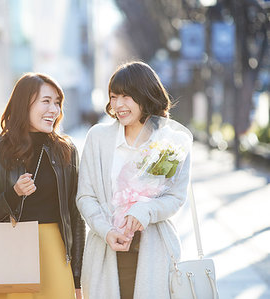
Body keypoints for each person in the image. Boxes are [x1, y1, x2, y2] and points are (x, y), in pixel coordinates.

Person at [76, 61, 193, 298]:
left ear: (146, 95)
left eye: (126, 96)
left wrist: (145, 210)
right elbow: (85, 196)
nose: (118, 105)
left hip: (155, 255)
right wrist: (106, 229)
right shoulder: (98, 137)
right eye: (113, 96)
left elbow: (176, 197)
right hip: (106, 251)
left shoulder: (171, 142)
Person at [0, 72, 85, 299]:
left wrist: (78, 277)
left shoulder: (66, 151)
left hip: (54, 252)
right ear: (25, 104)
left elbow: (75, 216)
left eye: (58, 103)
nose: (54, 110)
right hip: (7, 252)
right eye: (46, 101)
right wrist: (13, 195)